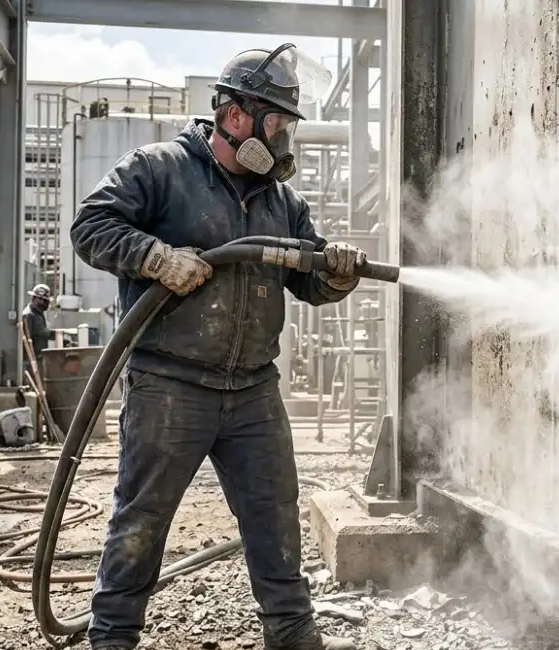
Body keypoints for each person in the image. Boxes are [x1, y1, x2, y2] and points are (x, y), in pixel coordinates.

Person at [70, 44, 364, 650]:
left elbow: (307, 280)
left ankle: (290, 631)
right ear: (237, 116)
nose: (283, 139)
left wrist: (335, 273)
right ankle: (113, 638)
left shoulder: (282, 202)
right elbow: (91, 225)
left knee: (275, 513)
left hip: (253, 387)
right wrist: (153, 257)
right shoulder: (158, 169)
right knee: (142, 519)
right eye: (277, 123)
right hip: (170, 386)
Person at [22, 283, 53, 368]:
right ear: (33, 298)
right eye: (40, 299)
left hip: (39, 358)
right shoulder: (28, 315)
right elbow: (26, 341)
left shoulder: (39, 313)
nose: (43, 302)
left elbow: (42, 332)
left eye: (45, 300)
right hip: (31, 361)